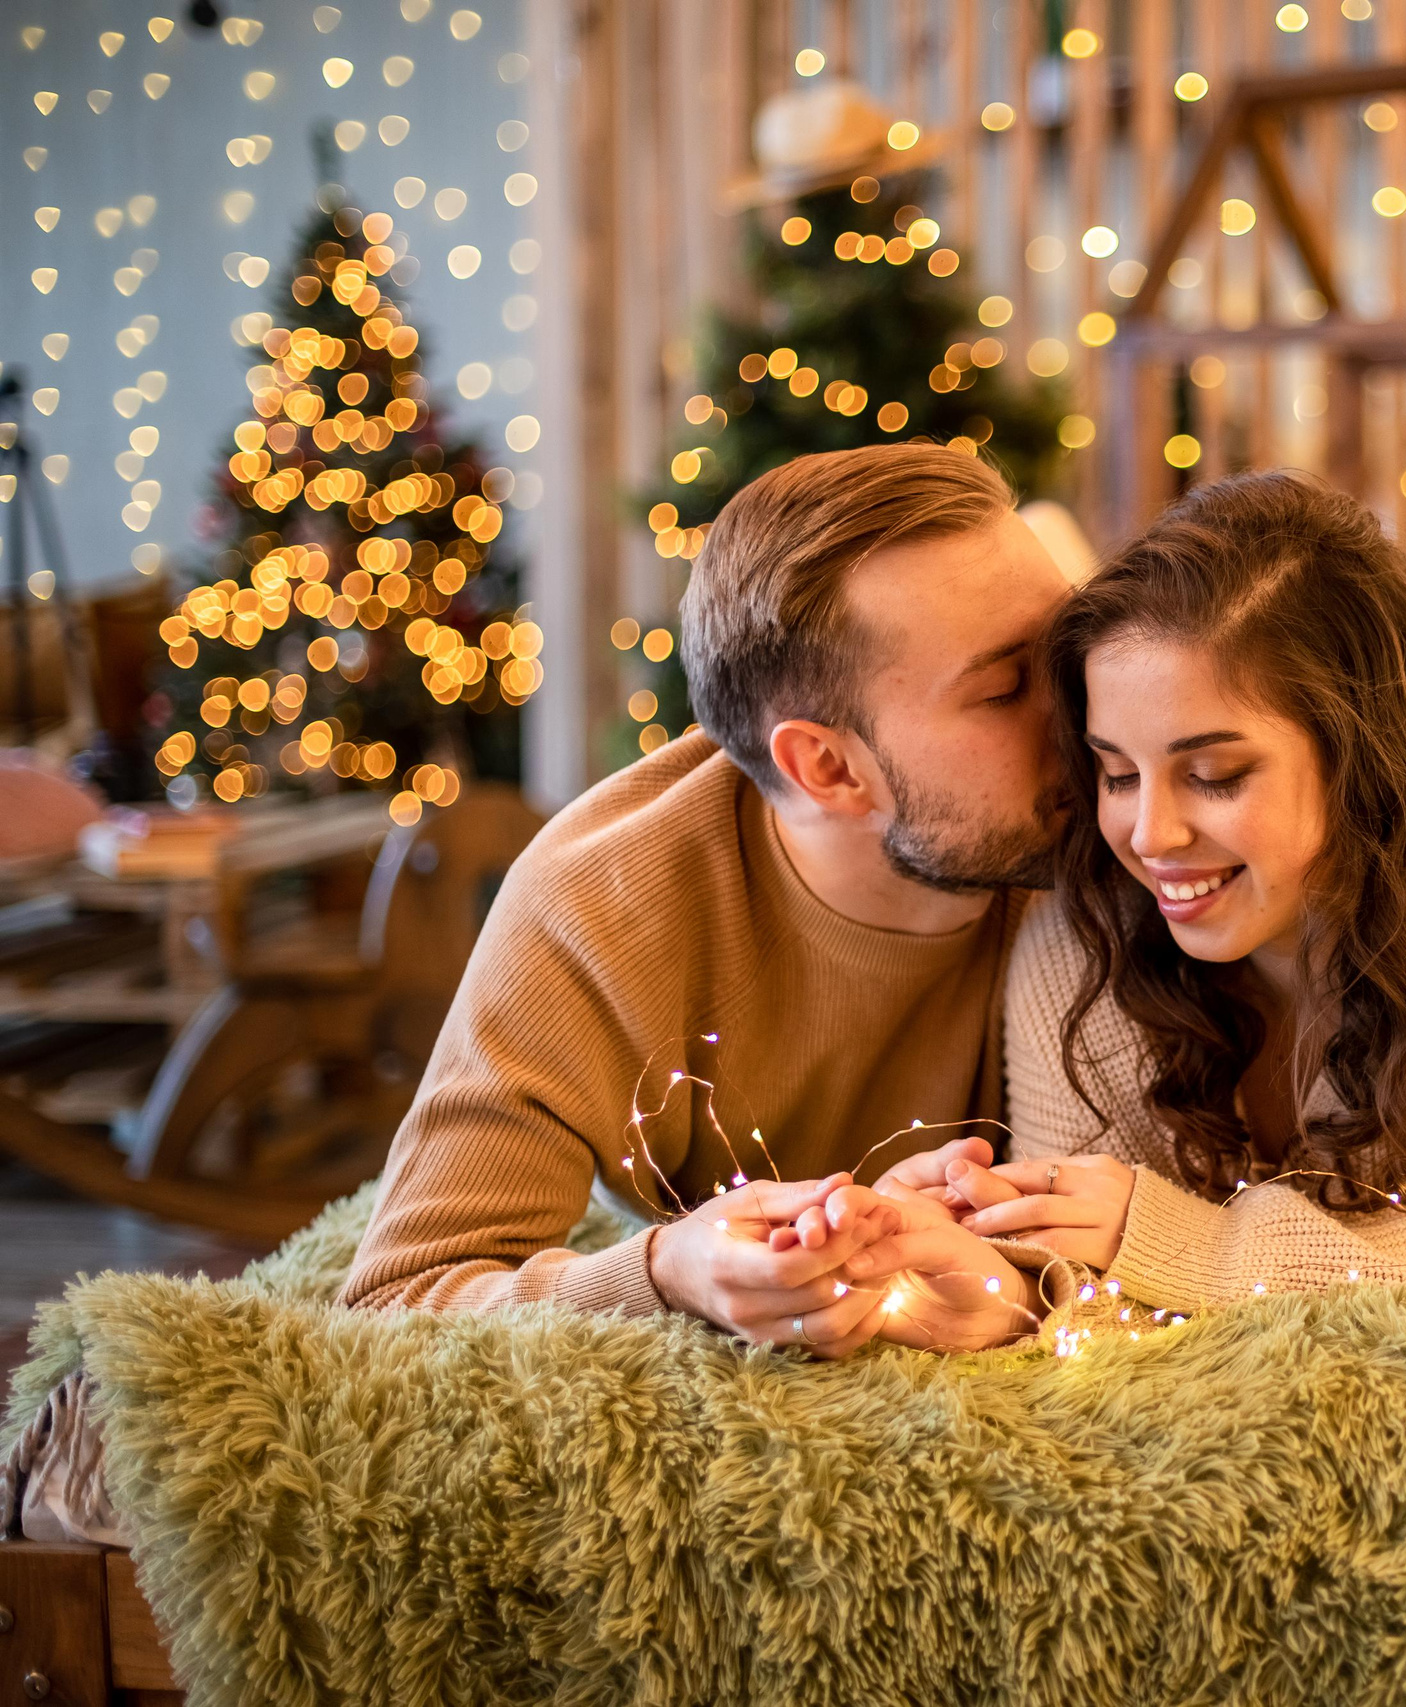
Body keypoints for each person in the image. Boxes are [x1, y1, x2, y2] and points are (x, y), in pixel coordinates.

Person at [875, 471, 1406, 1312]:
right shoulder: (1081, 933)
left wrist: (1199, 1246)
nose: (1149, 835)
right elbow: (1075, 1292)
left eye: (1215, 774)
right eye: (1116, 772)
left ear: (1361, 754)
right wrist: (961, 1283)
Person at [338, 444, 1069, 1355]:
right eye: (1006, 687)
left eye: (1070, 647)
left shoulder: (1125, 818)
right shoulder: (600, 908)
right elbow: (394, 1305)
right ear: (828, 767)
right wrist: (661, 1275)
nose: (1082, 709)